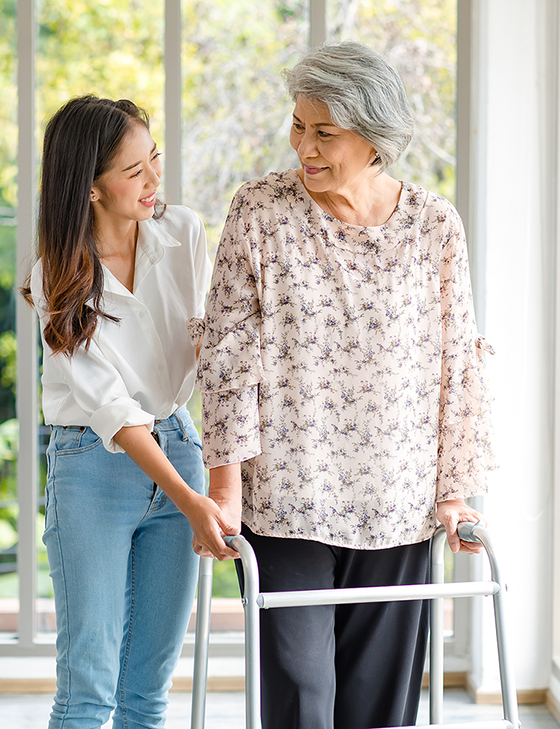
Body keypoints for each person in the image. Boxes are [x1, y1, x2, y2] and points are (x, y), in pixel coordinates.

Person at [192, 41, 497, 729]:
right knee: (301, 701)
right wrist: (225, 491)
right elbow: (230, 356)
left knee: (377, 710)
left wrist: (453, 489)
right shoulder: (260, 212)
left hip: (397, 503)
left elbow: (456, 362)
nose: (304, 145)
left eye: (324, 132)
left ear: (374, 136)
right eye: (298, 125)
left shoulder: (434, 227)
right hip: (283, 505)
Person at [23, 95, 232, 729]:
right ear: (89, 187)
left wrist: (216, 475)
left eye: (155, 159)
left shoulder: (183, 232)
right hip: (93, 466)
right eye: (134, 171)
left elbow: (210, 342)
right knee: (88, 689)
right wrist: (189, 498)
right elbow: (110, 408)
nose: (154, 181)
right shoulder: (55, 281)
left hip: (179, 441)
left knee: (148, 691)